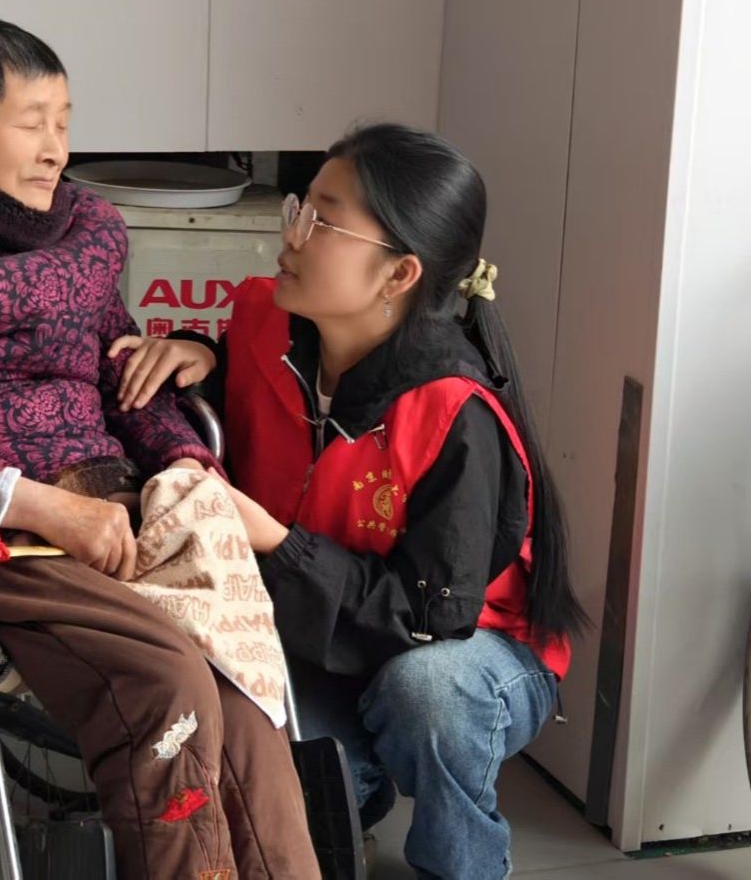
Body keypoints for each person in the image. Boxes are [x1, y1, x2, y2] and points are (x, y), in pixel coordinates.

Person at [0, 16, 320, 879]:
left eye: (65, 123)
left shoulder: (85, 232)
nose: (56, 151)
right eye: (31, 123)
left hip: (107, 507)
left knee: (237, 673)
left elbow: (127, 384)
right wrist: (42, 507)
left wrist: (190, 470)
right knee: (163, 677)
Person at [110, 123, 589, 880]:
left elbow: (430, 619)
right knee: (247, 721)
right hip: (320, 631)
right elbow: (247, 386)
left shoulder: (453, 414)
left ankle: (462, 864)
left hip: (467, 651)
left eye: (324, 222)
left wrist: (277, 541)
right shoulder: (264, 321)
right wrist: (199, 355)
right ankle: (352, 799)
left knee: (425, 694)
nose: (293, 235)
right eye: (300, 208)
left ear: (399, 274)